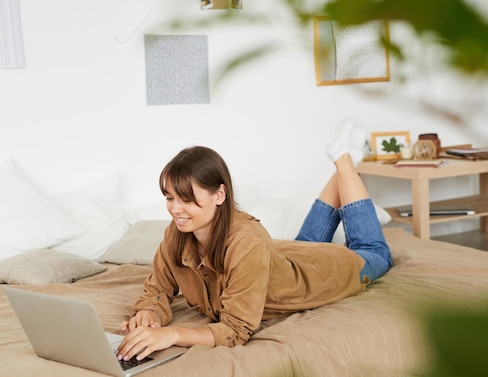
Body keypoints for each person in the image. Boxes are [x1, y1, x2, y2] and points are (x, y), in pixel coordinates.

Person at [115, 118, 392, 361]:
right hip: (285, 257)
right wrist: (149, 314)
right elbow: (157, 290)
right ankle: (344, 160)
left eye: (186, 199)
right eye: (169, 197)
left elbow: (235, 330)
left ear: (219, 195)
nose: (175, 209)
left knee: (374, 252)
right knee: (306, 242)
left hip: (329, 271)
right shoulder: (176, 233)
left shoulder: (247, 241)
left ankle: (344, 162)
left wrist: (172, 334)